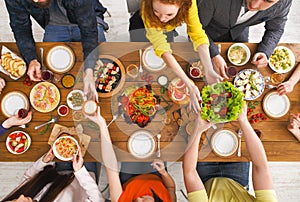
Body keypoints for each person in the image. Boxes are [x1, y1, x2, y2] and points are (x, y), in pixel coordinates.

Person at [129, 0, 223, 114]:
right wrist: (189, 85)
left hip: (167, 29)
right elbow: (162, 47)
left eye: (169, 14)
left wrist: (208, 70)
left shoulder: (189, 3)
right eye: (156, 11)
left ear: (183, 6)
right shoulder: (147, 5)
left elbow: (198, 35)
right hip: (141, 26)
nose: (162, 19)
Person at [4, 0, 108, 100]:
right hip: (54, 25)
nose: (35, 1)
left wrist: (89, 71)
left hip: (86, 18)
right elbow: (20, 26)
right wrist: (32, 59)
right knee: (50, 68)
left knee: (102, 62)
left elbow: (89, 29)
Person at [183, 105, 278, 201]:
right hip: (237, 180)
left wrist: (198, 129)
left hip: (205, 180)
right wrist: (244, 122)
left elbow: (189, 172)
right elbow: (260, 166)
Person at [87, 107, 176, 202]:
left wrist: (102, 124)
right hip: (157, 174)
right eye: (144, 201)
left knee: (129, 133)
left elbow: (111, 166)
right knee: (158, 129)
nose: (139, 197)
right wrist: (163, 172)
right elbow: (170, 187)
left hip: (130, 177)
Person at [197, 0, 292, 79]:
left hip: (239, 31)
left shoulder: (283, 3)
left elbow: (275, 29)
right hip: (207, 31)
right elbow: (196, 29)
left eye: (268, 0)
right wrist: (213, 54)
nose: (253, 5)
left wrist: (265, 51)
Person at [1, 147, 104, 202]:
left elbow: (27, 178)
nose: (21, 196)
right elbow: (97, 199)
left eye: (13, 201)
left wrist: (44, 161)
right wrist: (80, 171)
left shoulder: (22, 197)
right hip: (83, 177)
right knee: (94, 140)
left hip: (60, 173)